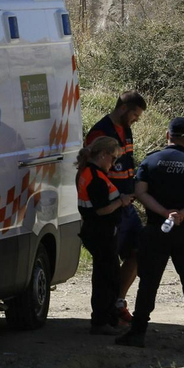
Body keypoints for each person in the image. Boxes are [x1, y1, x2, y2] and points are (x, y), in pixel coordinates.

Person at [115, 116, 184, 348]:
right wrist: (182, 214)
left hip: (155, 230)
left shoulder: (151, 161)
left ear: (167, 135)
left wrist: (164, 212)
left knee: (148, 283)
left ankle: (138, 333)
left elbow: (140, 192)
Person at [84, 90, 146, 324]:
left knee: (139, 251)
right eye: (135, 114)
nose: (136, 119)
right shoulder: (101, 132)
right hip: (112, 209)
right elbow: (94, 171)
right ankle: (104, 314)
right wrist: (114, 201)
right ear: (123, 109)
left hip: (127, 205)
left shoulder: (126, 130)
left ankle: (117, 302)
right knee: (106, 265)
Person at [75, 135, 132, 334]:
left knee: (106, 275)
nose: (114, 163)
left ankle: (106, 319)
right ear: (102, 155)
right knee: (106, 279)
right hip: (100, 232)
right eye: (113, 158)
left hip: (96, 231)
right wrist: (122, 201)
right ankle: (101, 321)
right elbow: (101, 209)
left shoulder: (88, 172)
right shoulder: (95, 177)